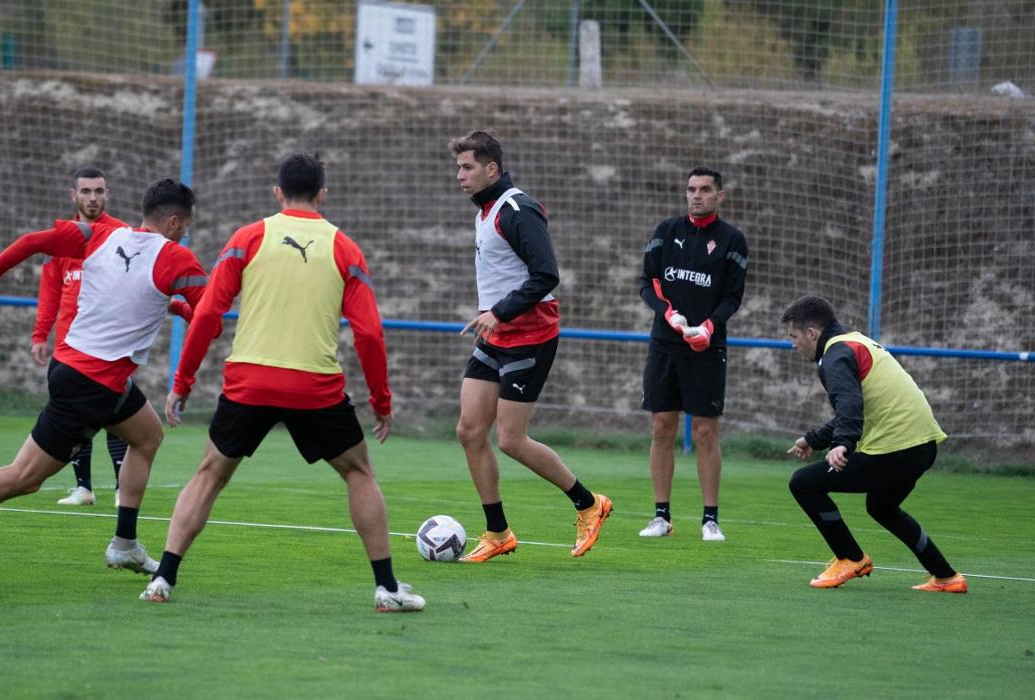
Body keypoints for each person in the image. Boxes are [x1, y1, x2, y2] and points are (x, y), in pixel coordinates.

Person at [142, 153, 424, 612]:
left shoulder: (247, 238)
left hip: (248, 381)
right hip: (314, 387)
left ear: (277, 193)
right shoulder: (344, 248)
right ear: (322, 194)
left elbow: (209, 314)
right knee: (358, 472)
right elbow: (370, 333)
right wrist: (381, 402)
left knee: (209, 474)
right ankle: (387, 589)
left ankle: (163, 579)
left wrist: (183, 381)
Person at [0, 179, 208, 581]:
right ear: (176, 222)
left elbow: (32, 242)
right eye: (188, 224)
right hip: (91, 385)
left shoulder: (103, 235)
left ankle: (125, 544)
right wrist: (190, 351)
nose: (188, 232)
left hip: (75, 369)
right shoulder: (179, 259)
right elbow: (209, 318)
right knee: (24, 477)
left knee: (147, 436)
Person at [449, 130, 612, 563]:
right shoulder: (484, 211)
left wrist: (499, 311)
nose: (460, 176)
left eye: (467, 167)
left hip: (531, 333)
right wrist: (494, 316)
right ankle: (498, 531)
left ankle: (589, 504)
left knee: (511, 440)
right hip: (497, 334)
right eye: (458, 167)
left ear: (491, 169)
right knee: (468, 431)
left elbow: (545, 275)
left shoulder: (517, 209)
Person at [30, 166, 192, 507]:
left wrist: (177, 307)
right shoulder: (67, 239)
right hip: (71, 348)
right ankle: (84, 486)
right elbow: (51, 291)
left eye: (99, 191)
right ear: (73, 195)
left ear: (108, 195)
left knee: (126, 421)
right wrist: (40, 333)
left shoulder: (121, 235)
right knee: (35, 466)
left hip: (107, 350)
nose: (93, 197)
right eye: (86, 191)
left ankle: (122, 490)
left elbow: (144, 290)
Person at [782, 295, 966, 592]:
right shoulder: (856, 341)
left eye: (794, 336)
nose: (792, 344)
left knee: (803, 482)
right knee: (882, 506)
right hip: (924, 445)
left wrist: (843, 443)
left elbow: (849, 404)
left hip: (896, 450)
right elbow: (860, 407)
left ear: (812, 333)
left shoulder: (834, 355)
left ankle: (850, 558)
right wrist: (813, 439)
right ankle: (947, 577)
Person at [637, 166, 748, 542]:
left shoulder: (732, 240)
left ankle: (710, 519)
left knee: (705, 432)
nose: (695, 195)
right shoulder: (666, 232)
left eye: (704, 189)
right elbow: (648, 283)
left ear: (720, 195)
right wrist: (668, 313)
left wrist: (709, 328)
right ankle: (662, 517)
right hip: (664, 345)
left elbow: (732, 297)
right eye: (691, 189)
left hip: (707, 347)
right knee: (661, 426)